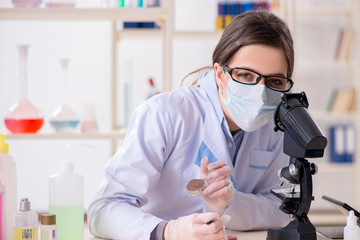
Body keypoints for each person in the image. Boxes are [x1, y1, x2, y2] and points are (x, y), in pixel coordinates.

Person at [88, 9, 294, 240]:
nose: (261, 93)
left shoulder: (275, 128)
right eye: (245, 75)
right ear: (220, 74)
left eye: (275, 81)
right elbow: (102, 209)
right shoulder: (164, 114)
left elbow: (281, 208)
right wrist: (169, 230)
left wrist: (229, 203)